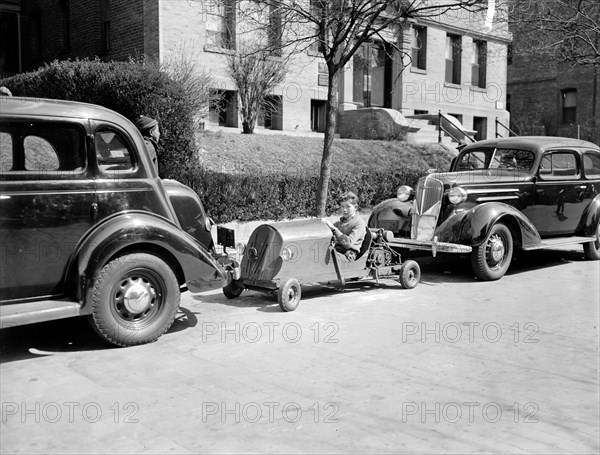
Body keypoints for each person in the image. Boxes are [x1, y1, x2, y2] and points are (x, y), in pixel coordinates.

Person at [321, 191, 367, 261]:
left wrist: (334, 229)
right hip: (337, 251)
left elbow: (348, 243)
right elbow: (328, 231)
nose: (344, 210)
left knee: (322, 258)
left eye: (348, 207)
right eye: (342, 206)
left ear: (355, 207)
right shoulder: (342, 221)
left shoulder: (359, 223)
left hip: (348, 255)